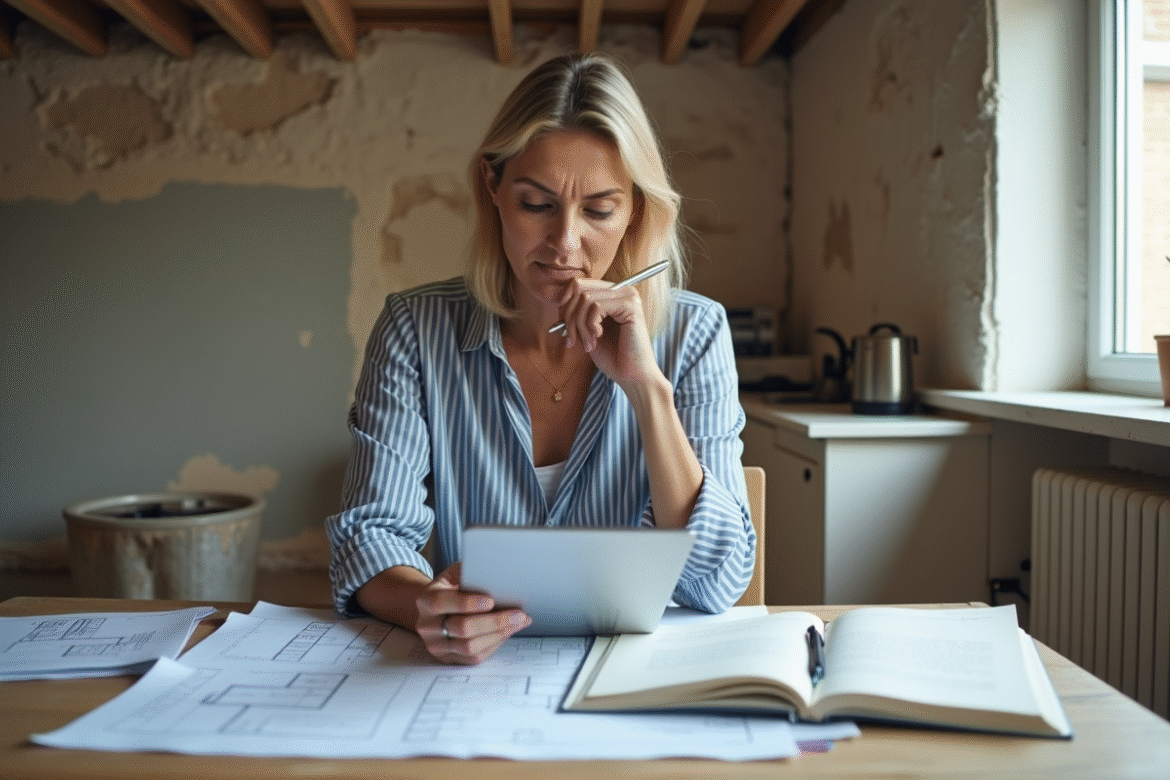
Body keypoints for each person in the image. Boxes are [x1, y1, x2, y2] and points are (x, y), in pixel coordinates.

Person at [326, 51, 754, 665]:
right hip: (467, 684)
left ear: (636, 209)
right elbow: (369, 537)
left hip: (628, 677)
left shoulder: (696, 332)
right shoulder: (415, 329)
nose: (564, 243)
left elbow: (716, 580)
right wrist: (431, 608)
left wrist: (647, 392)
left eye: (599, 210)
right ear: (492, 187)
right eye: (536, 204)